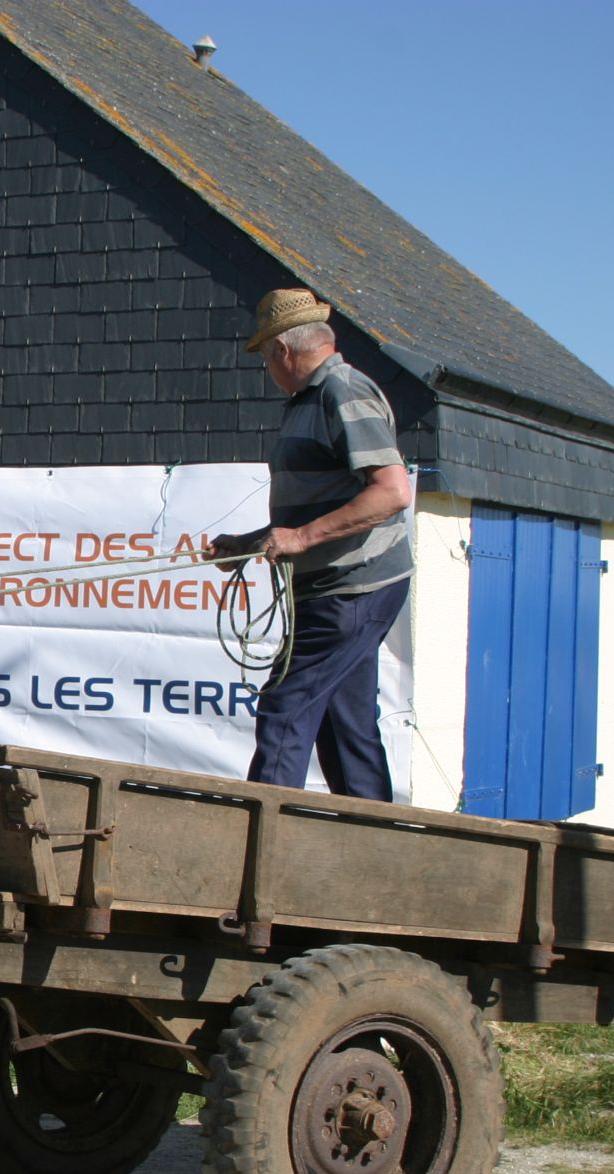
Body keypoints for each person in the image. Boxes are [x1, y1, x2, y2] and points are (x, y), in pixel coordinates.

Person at [204, 288, 413, 801]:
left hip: (353, 586)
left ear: (283, 350)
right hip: (337, 586)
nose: (269, 369)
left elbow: (391, 492)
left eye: (265, 358)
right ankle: (371, 834)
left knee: (285, 706)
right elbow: (322, 503)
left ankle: (263, 835)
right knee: (345, 724)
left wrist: (300, 537)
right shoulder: (311, 399)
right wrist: (250, 543)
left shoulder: (343, 391)